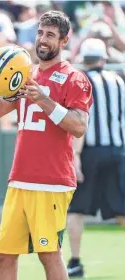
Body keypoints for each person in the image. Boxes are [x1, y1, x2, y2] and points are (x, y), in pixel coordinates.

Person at [0, 11, 93, 280]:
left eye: (50, 35)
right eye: (40, 33)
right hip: (20, 179)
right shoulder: (25, 73)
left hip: (51, 180)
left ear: (64, 41)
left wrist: (44, 100)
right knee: (4, 254)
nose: (42, 40)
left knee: (49, 254)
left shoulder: (73, 78)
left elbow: (79, 126)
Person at [67, 38, 125, 278]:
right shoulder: (119, 81)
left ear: (84, 59)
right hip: (118, 150)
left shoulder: (81, 82)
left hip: (89, 151)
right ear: (103, 58)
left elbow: (80, 121)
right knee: (122, 209)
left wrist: (75, 157)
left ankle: (75, 261)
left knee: (76, 209)